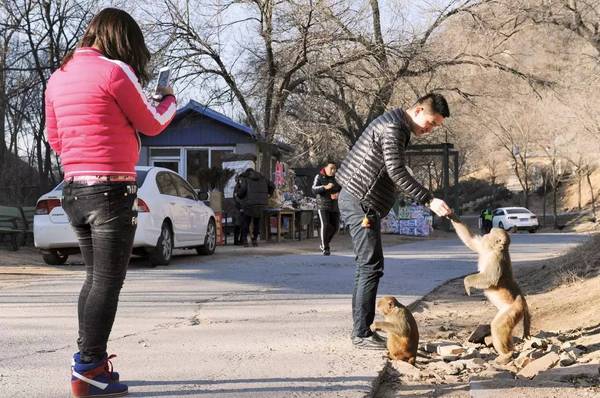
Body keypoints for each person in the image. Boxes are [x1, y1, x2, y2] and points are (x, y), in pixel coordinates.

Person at [44, 8, 176, 397]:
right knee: (107, 280)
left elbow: (55, 139)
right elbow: (153, 122)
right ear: (122, 40)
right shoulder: (114, 72)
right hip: (112, 191)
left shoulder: (58, 77)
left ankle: (89, 364)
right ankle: (89, 370)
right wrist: (169, 99)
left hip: (73, 190)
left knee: (94, 277)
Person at [336, 93, 452, 349]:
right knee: (370, 266)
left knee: (368, 266)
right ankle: (361, 334)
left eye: (435, 127)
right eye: (431, 123)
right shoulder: (394, 127)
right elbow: (395, 170)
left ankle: (362, 330)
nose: (429, 129)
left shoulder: (398, 125)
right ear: (419, 110)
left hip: (362, 201)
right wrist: (428, 199)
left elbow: (391, 168)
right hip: (360, 201)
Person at [234, 168, 275, 247]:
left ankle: (245, 241)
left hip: (249, 204)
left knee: (246, 222)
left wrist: (238, 194)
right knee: (257, 223)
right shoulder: (263, 178)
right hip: (261, 204)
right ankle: (255, 240)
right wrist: (269, 194)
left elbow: (243, 190)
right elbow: (272, 186)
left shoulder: (245, 178)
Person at [312, 161, 342, 255]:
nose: (333, 171)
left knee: (335, 227)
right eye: (331, 168)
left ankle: (324, 243)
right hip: (323, 205)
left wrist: (338, 194)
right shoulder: (319, 176)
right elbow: (314, 189)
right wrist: (325, 187)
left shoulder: (337, 178)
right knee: (325, 225)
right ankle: (326, 248)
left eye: (334, 169)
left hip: (335, 205)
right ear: (325, 168)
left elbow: (342, 189)